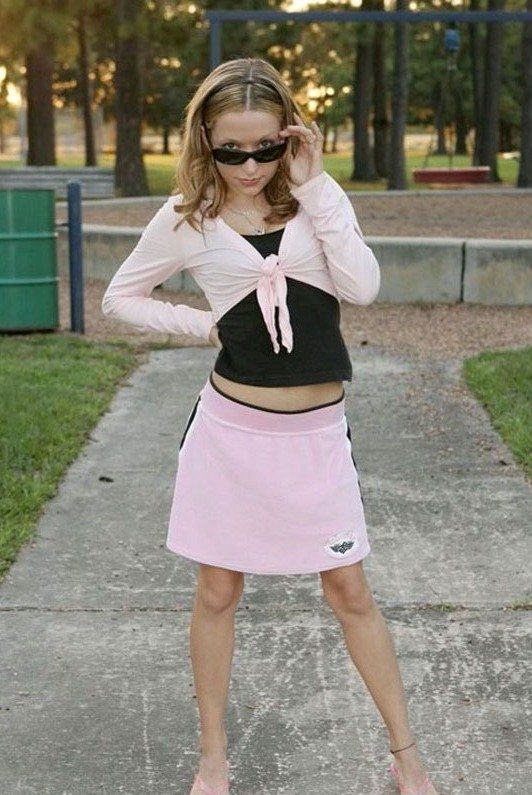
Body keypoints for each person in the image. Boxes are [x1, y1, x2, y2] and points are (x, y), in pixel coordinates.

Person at [101, 57, 439, 795]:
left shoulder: (318, 199)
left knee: (349, 590)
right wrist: (204, 324)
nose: (250, 166)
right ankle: (213, 758)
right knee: (218, 591)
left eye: (265, 148)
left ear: (291, 137)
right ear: (205, 140)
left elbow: (363, 287)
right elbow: (120, 297)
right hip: (230, 436)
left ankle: (407, 756)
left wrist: (315, 186)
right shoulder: (188, 217)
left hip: (315, 438)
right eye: (232, 151)